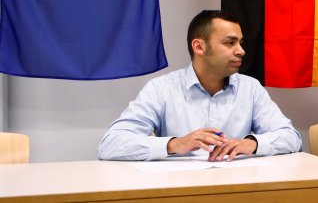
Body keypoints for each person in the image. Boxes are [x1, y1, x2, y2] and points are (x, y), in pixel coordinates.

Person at [98, 10, 302, 161]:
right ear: (199, 47)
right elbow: (110, 144)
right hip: (180, 192)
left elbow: (292, 138)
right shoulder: (162, 88)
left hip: (238, 189)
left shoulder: (251, 88)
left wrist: (251, 143)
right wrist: (175, 144)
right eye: (230, 43)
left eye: (240, 43)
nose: (241, 51)